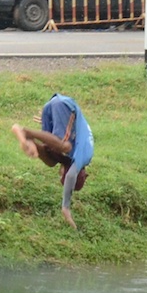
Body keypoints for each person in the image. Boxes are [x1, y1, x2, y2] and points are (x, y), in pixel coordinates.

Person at [11, 93, 94, 230]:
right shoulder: (84, 157)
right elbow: (71, 176)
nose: (60, 175)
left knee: (51, 161)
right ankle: (26, 132)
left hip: (54, 111)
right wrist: (65, 208)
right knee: (65, 146)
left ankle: (30, 143)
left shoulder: (68, 156)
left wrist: (52, 118)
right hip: (65, 106)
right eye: (63, 176)